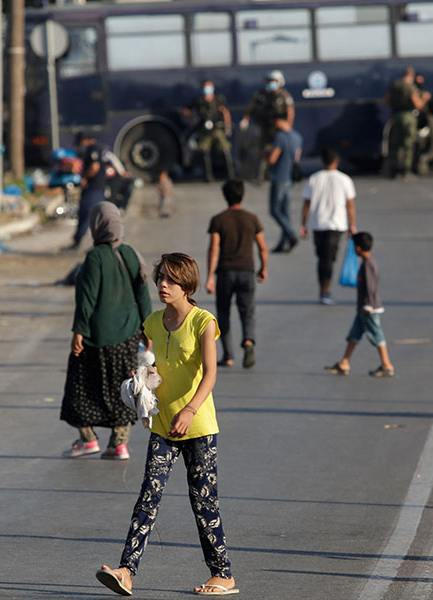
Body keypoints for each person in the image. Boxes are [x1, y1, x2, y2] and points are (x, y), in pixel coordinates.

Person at [95, 253, 238, 597]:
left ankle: (223, 574)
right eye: (160, 278)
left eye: (171, 280)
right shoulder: (153, 323)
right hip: (162, 425)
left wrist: (189, 410)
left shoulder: (203, 322)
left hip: (198, 426)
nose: (162, 285)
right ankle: (127, 571)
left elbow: (211, 373)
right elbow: (153, 363)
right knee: (149, 495)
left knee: (203, 502)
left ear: (187, 285)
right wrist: (143, 378)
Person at [61, 202, 153, 461]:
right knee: (123, 388)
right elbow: (143, 294)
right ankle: (119, 444)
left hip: (96, 338)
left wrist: (78, 331)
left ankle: (88, 439)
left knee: (79, 386)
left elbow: (86, 299)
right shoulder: (131, 254)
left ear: (96, 226)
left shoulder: (94, 257)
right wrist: (147, 328)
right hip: (127, 337)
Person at [206, 179, 268, 369]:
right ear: (243, 196)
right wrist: (263, 268)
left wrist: (209, 277)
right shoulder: (252, 218)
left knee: (223, 312)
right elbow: (262, 248)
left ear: (225, 197)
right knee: (247, 311)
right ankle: (248, 341)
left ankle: (228, 356)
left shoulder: (218, 220)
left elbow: (214, 249)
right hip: (247, 272)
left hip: (225, 273)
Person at [324, 232, 395, 377]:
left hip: (368, 309)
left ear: (358, 248)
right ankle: (344, 363)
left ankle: (387, 365)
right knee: (353, 336)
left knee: (377, 335)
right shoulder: (369, 263)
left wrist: (368, 306)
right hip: (362, 309)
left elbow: (370, 288)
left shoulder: (368, 265)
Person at [300, 147, 357, 305]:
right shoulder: (345, 179)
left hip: (317, 224)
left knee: (322, 258)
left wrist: (303, 224)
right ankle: (325, 291)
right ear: (336, 161)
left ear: (322, 161)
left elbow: (306, 204)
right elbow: (350, 205)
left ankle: (324, 289)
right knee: (328, 259)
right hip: (336, 225)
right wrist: (352, 225)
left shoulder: (314, 178)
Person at [240, 70, 295, 180]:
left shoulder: (284, 96)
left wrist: (288, 127)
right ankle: (262, 174)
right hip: (265, 128)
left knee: (278, 150)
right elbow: (251, 106)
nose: (271, 83)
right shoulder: (261, 95)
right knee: (263, 149)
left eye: (273, 81)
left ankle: (280, 172)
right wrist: (245, 119)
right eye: (269, 81)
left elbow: (290, 112)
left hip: (279, 129)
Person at [385, 66, 430, 178]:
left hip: (396, 116)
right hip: (408, 116)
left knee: (395, 143)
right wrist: (424, 99)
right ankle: (406, 169)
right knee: (408, 144)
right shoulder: (410, 87)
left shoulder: (395, 85)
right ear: (412, 75)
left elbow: (386, 101)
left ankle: (394, 169)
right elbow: (417, 104)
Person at [68, 132, 109, 250]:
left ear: (85, 139)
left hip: (93, 188)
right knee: (97, 215)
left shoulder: (93, 149)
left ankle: (79, 240)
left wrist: (85, 178)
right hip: (99, 187)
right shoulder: (100, 148)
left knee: (86, 213)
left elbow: (94, 167)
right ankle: (96, 242)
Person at [187, 80, 234, 182]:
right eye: (205, 87)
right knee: (204, 151)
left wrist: (228, 127)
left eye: (209, 87)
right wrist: (193, 120)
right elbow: (187, 110)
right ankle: (208, 176)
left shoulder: (218, 100)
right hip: (204, 130)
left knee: (225, 149)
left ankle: (230, 174)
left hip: (217, 128)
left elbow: (226, 113)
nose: (207, 89)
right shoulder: (199, 101)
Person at [267, 117, 302, 254]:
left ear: (281, 121)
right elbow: (297, 157)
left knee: (275, 210)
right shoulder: (297, 136)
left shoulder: (280, 137)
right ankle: (283, 243)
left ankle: (291, 235)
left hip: (279, 177)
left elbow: (272, 159)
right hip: (290, 178)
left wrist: (264, 155)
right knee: (285, 212)